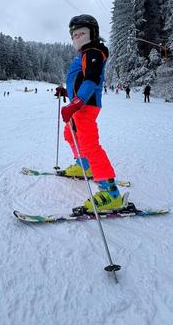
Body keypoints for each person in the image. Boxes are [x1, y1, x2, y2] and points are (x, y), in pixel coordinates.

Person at [59, 14, 122, 212]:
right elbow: (77, 81)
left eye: (82, 33)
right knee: (70, 135)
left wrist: (76, 102)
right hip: (79, 105)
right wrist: (67, 92)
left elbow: (91, 80)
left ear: (92, 34)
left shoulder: (94, 52)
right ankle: (84, 165)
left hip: (86, 106)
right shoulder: (83, 55)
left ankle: (110, 193)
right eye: (74, 35)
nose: (77, 37)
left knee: (89, 143)